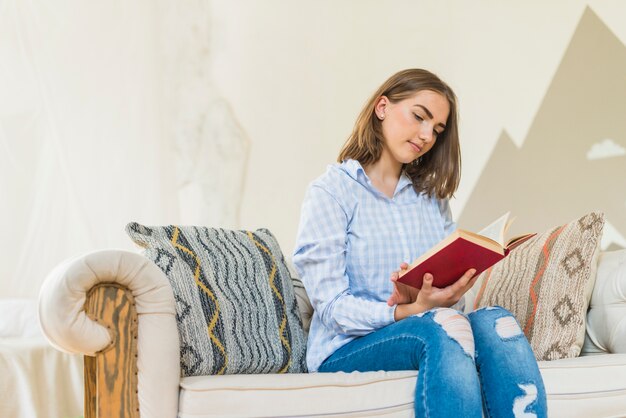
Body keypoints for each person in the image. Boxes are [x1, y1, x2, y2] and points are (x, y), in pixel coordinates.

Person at [292, 69, 547, 417]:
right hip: (345, 348)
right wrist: (403, 311)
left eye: (437, 130)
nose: (427, 135)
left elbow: (441, 298)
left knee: (498, 322)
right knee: (443, 327)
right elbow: (333, 309)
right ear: (382, 107)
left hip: (426, 323)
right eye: (419, 117)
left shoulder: (431, 199)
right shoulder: (332, 192)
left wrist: (445, 294)